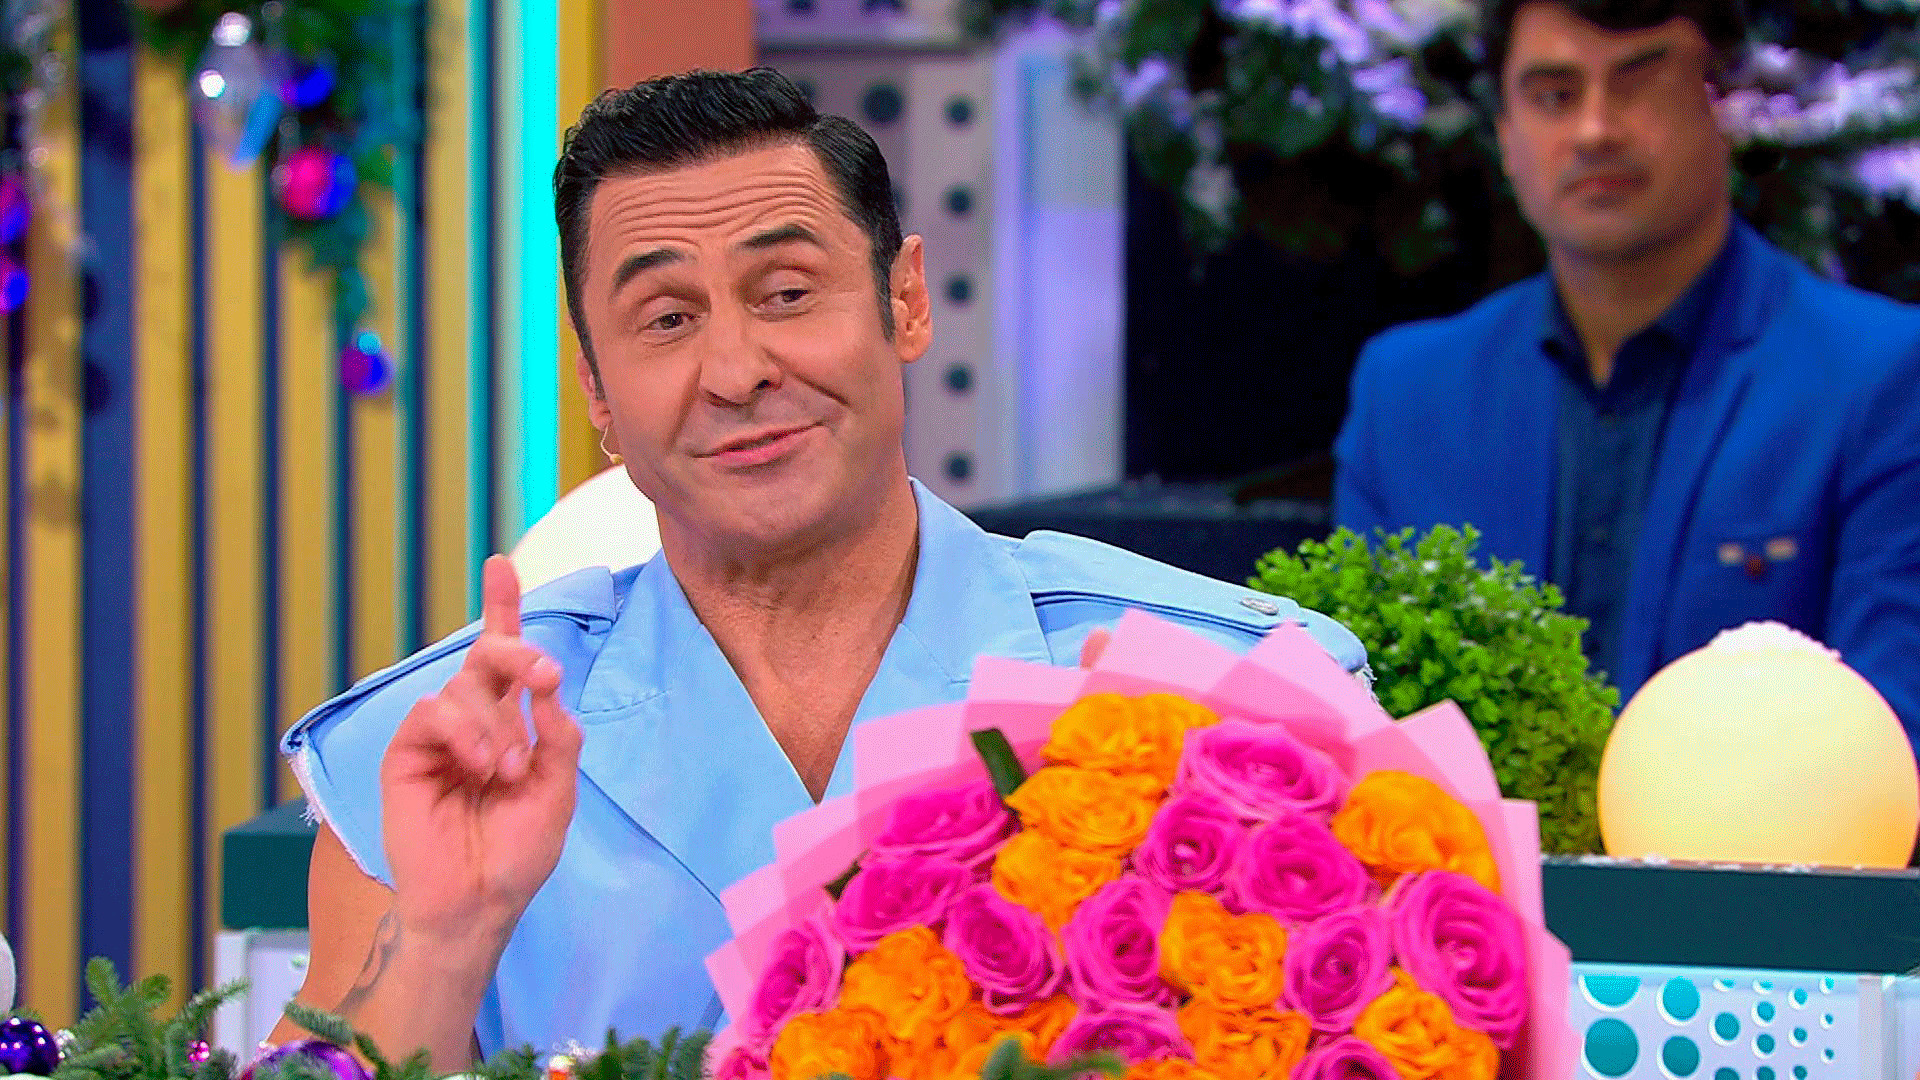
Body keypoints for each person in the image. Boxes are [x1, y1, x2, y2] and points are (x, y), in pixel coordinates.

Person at [275, 69, 1367, 1068]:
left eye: (787, 293)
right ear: (599, 393)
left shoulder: (1218, 691)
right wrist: (442, 939)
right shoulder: (435, 754)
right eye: (667, 319)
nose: (737, 370)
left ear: (906, 302)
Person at [1333, 0, 1920, 752]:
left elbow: (1892, 741)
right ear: (1506, 135)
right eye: (1554, 95)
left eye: (1638, 83)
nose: (1595, 130)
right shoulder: (1410, 394)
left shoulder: (1876, 378)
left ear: (1726, 100)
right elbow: (1353, 727)